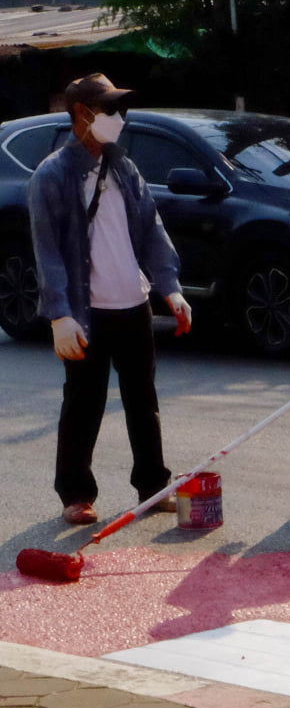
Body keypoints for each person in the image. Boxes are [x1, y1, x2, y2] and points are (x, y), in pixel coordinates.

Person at [30, 73, 192, 526]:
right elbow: (47, 251)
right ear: (83, 115)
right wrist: (59, 314)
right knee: (83, 401)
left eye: (120, 108)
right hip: (87, 311)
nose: (119, 118)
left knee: (144, 399)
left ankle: (153, 484)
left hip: (132, 303)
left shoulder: (124, 167)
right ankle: (76, 494)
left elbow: (151, 229)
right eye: (110, 110)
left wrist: (171, 288)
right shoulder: (52, 176)